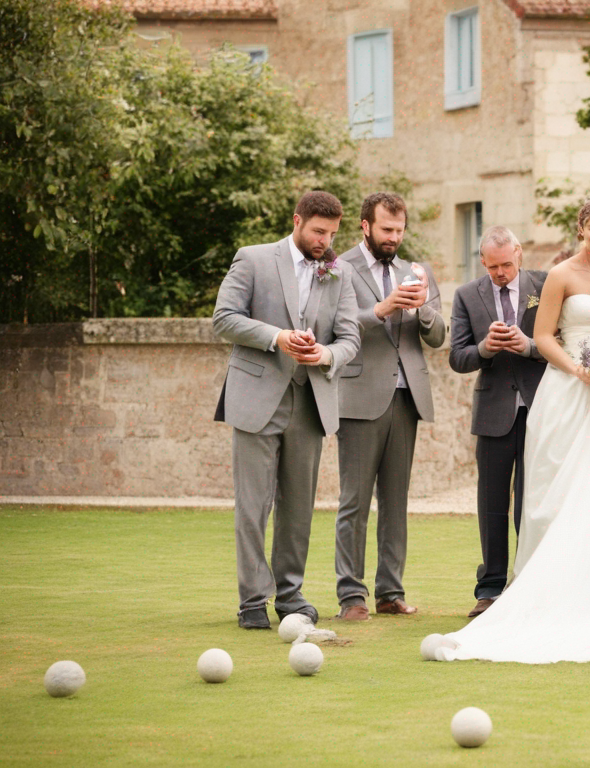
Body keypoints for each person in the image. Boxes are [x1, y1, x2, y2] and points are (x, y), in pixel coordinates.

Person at [437, 190, 590, 663]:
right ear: (581, 230)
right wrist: (581, 371)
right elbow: (544, 336)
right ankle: (554, 583)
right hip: (570, 387)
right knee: (567, 486)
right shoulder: (560, 274)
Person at [212, 191, 361, 630]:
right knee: (253, 506)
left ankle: (290, 596)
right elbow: (223, 318)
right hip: (257, 399)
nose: (325, 241)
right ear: (297, 221)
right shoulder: (253, 259)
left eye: (333, 233)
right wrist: (276, 337)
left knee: (298, 509)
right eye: (318, 231)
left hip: (310, 402)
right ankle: (252, 600)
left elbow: (350, 338)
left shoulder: (340, 272)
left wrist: (326, 356)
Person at [333, 192, 447, 621]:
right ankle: (352, 597)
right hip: (359, 397)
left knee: (396, 502)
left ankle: (390, 593)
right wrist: (380, 310)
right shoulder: (339, 267)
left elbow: (439, 337)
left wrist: (423, 312)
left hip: (407, 397)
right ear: (365, 225)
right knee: (355, 501)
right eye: (386, 229)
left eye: (399, 230)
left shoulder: (416, 271)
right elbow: (332, 328)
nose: (394, 238)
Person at [448, 226, 548, 618]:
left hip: (542, 408)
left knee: (532, 501)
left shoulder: (546, 284)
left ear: (519, 254)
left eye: (506, 264)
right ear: (483, 262)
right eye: (493, 267)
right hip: (493, 411)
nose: (501, 273)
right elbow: (458, 357)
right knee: (491, 503)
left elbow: (561, 339)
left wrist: (529, 347)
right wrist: (485, 349)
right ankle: (489, 587)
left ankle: (530, 582)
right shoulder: (466, 295)